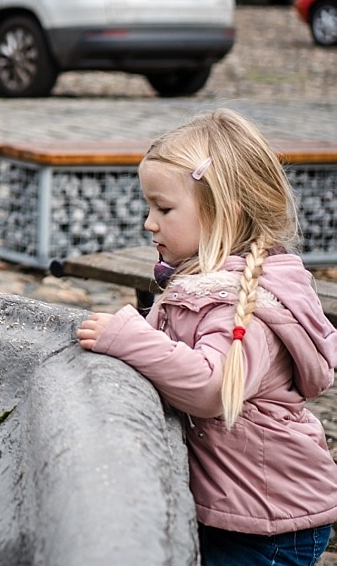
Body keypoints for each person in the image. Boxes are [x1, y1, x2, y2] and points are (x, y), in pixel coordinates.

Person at [77, 110, 337, 565]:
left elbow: (212, 386)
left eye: (164, 208)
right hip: (238, 509)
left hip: (268, 522)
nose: (148, 223)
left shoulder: (245, 306)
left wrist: (128, 337)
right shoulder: (201, 282)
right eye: (148, 206)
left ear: (223, 212)